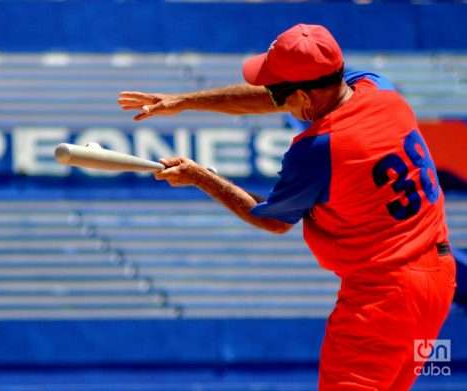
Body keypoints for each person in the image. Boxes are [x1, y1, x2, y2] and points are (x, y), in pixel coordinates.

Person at [118, 24, 456, 390]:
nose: (272, 98)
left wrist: (202, 177)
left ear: (304, 96)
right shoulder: (379, 88)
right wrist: (185, 101)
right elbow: (286, 96)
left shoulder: (318, 149)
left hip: (382, 297)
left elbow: (272, 220)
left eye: (279, 92)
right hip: (437, 278)